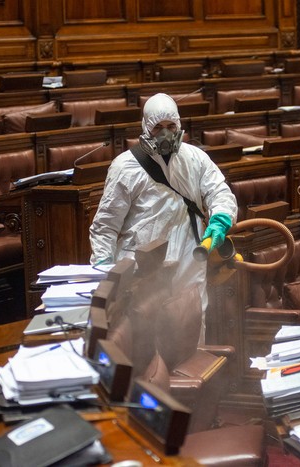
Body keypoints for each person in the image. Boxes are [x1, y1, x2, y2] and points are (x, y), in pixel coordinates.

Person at [89, 93, 237, 338]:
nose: (165, 133)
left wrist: (221, 218)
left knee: (192, 330)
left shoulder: (195, 158)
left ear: (179, 126)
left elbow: (219, 191)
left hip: (191, 260)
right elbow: (105, 226)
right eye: (158, 127)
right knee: (147, 338)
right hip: (144, 267)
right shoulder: (125, 166)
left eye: (171, 126)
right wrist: (105, 271)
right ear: (146, 128)